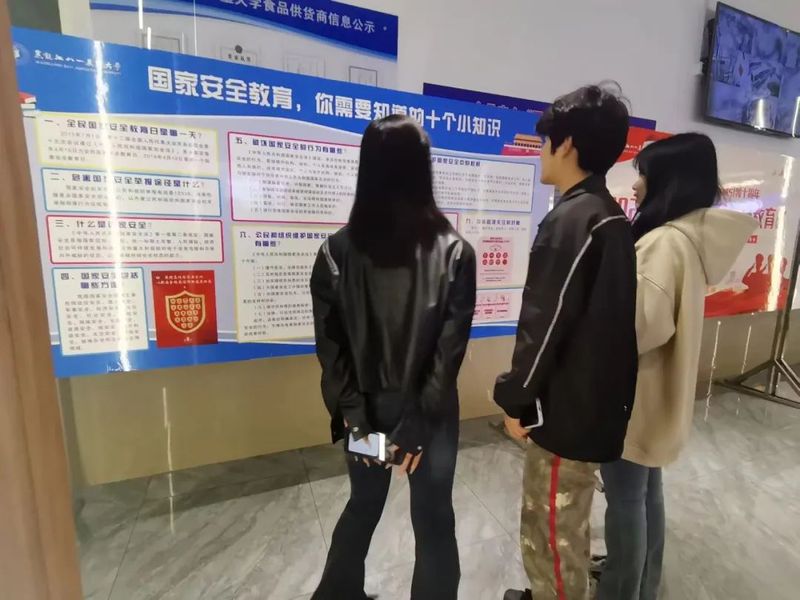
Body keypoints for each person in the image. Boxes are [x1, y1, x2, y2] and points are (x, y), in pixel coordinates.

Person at [309, 115, 477, 600]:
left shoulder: (334, 252)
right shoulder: (456, 253)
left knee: (363, 505)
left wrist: (358, 420)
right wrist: (416, 428)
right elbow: (447, 357)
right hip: (431, 422)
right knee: (434, 517)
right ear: (423, 169)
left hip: (365, 416)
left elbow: (332, 351)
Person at [596, 133, 757, 600]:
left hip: (637, 397)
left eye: (644, 174)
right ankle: (645, 585)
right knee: (647, 495)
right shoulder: (690, 239)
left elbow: (639, 328)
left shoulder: (664, 243)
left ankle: (621, 590)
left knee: (626, 501)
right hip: (662, 396)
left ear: (669, 180)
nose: (636, 185)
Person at [495, 84, 639, 600]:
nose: (541, 152)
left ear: (567, 144)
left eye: (544, 142)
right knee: (567, 529)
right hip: (592, 404)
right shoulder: (609, 216)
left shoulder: (574, 220)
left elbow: (545, 323)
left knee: (550, 539)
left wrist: (515, 398)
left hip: (566, 414)